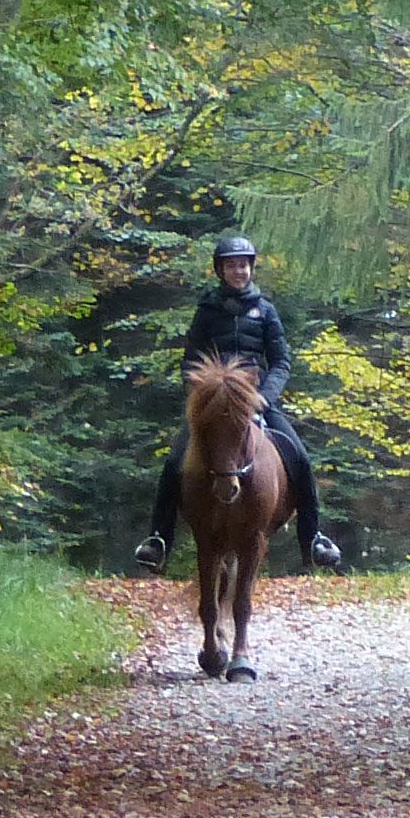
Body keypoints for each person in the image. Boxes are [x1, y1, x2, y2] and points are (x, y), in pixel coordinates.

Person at [134, 235, 339, 573]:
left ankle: (313, 538)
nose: (238, 271)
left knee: (299, 457)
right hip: (214, 404)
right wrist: (203, 394)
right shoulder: (207, 310)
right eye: (231, 266)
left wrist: (264, 397)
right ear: (221, 270)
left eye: (243, 265)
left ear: (250, 268)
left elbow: (281, 362)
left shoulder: (266, 311)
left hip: (256, 401)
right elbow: (191, 361)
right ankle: (159, 539)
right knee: (174, 462)